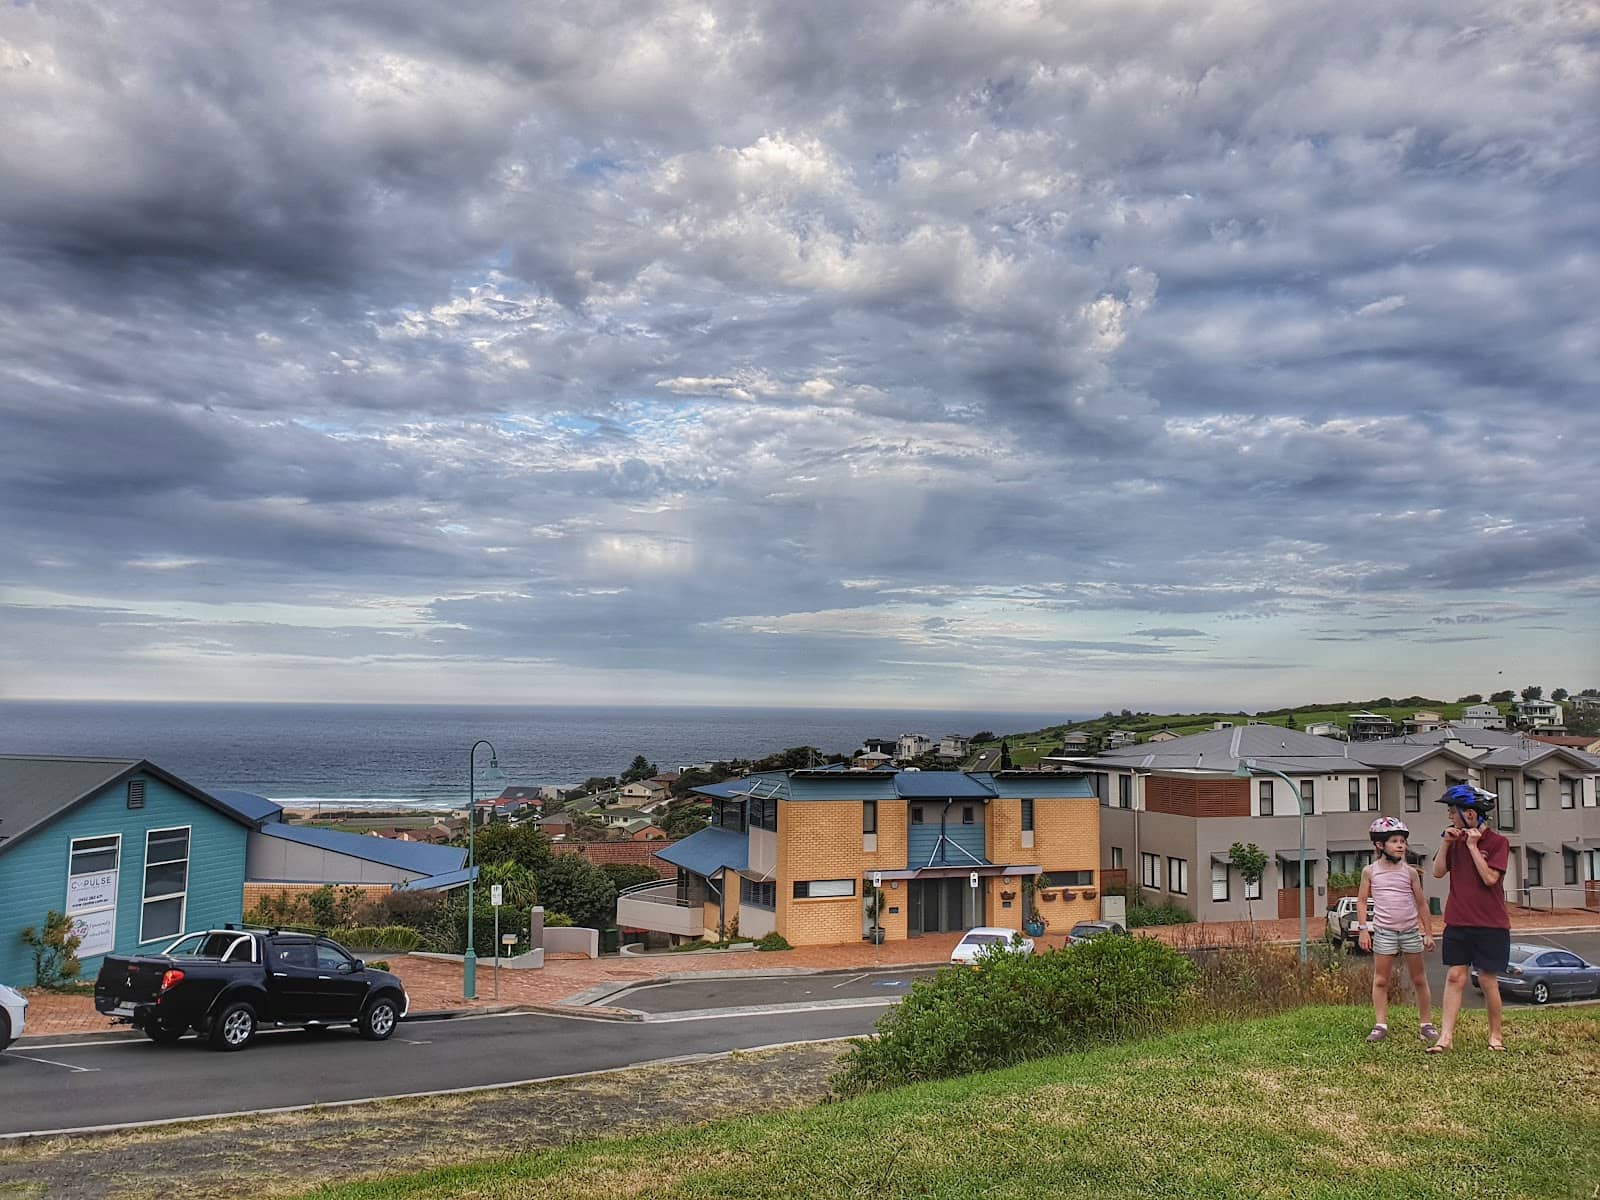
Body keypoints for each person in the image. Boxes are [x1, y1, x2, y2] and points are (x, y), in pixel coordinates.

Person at [1427, 783, 1510, 1053]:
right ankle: (1445, 1037)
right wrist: (1446, 843)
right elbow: (1438, 872)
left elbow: (1490, 878)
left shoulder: (1498, 843)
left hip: (1491, 924)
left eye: (1453, 811)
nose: (1450, 816)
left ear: (1470, 814)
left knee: (1487, 980)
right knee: (1455, 976)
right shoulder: (1454, 841)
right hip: (1458, 920)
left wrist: (1473, 847)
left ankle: (1495, 1037)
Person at [1355, 817, 1437, 1043]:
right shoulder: (1370, 872)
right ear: (1380, 845)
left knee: (1419, 979)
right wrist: (1363, 929)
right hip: (1384, 932)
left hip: (1410, 931)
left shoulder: (1410, 873)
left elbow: (1421, 903)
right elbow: (1361, 901)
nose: (1400, 845)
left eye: (1402, 841)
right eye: (1394, 841)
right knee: (1381, 980)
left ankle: (1426, 1024)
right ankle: (1380, 1025)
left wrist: (1428, 933)